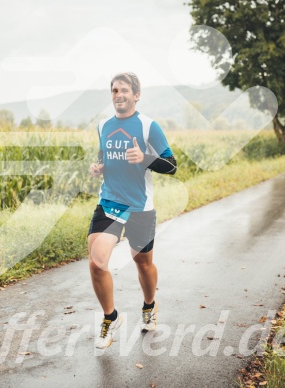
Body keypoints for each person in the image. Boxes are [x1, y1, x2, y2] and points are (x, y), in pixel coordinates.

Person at [88, 72, 177, 349]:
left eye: (124, 90)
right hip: (110, 203)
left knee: (143, 263)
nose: (119, 95)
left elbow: (171, 165)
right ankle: (110, 317)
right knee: (96, 262)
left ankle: (149, 306)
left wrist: (146, 158)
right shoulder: (103, 126)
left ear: (136, 95)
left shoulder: (149, 126)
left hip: (141, 207)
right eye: (114, 90)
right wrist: (99, 166)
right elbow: (105, 154)